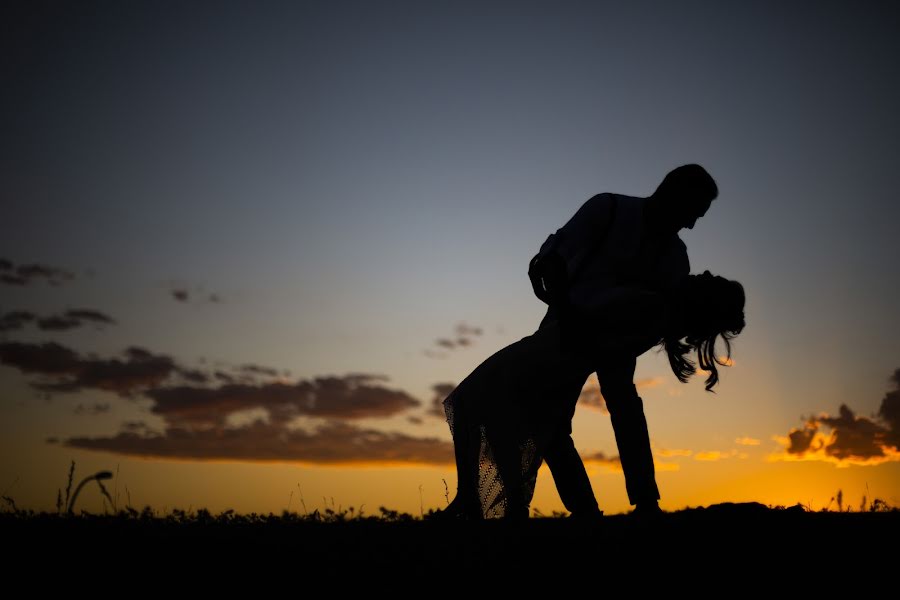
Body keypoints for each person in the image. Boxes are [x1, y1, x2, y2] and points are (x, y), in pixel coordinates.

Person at [439, 271, 745, 520]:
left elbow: (600, 335)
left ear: (703, 299)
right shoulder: (655, 310)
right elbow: (603, 337)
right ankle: (485, 503)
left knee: (500, 418)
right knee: (507, 422)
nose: (703, 272)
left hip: (545, 361)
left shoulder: (652, 308)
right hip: (546, 359)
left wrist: (562, 300)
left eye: (710, 279)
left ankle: (507, 509)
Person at [528, 164, 719, 516]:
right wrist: (561, 305)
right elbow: (555, 255)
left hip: (618, 343)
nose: (692, 224)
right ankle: (585, 510)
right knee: (551, 423)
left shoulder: (677, 258)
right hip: (566, 330)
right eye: (693, 212)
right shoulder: (609, 209)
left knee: (625, 408)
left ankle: (647, 503)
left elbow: (660, 318)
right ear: (672, 193)